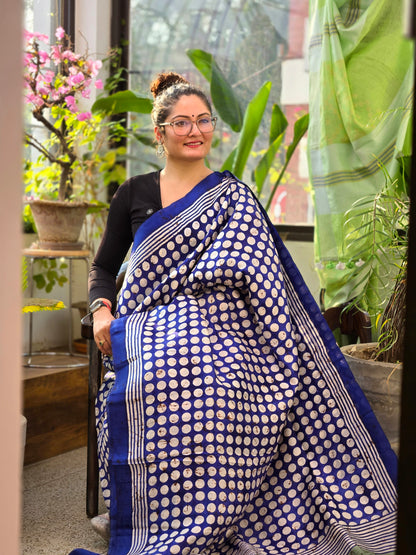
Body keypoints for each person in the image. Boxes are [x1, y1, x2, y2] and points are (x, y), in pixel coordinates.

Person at [69, 72, 397, 555]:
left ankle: (216, 515)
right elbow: (103, 267)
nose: (195, 130)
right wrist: (101, 311)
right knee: (154, 380)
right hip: (151, 323)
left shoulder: (234, 196)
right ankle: (148, 511)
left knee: (221, 387)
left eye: (203, 120)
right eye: (181, 122)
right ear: (160, 133)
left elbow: (262, 273)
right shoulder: (134, 193)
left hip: (229, 324)